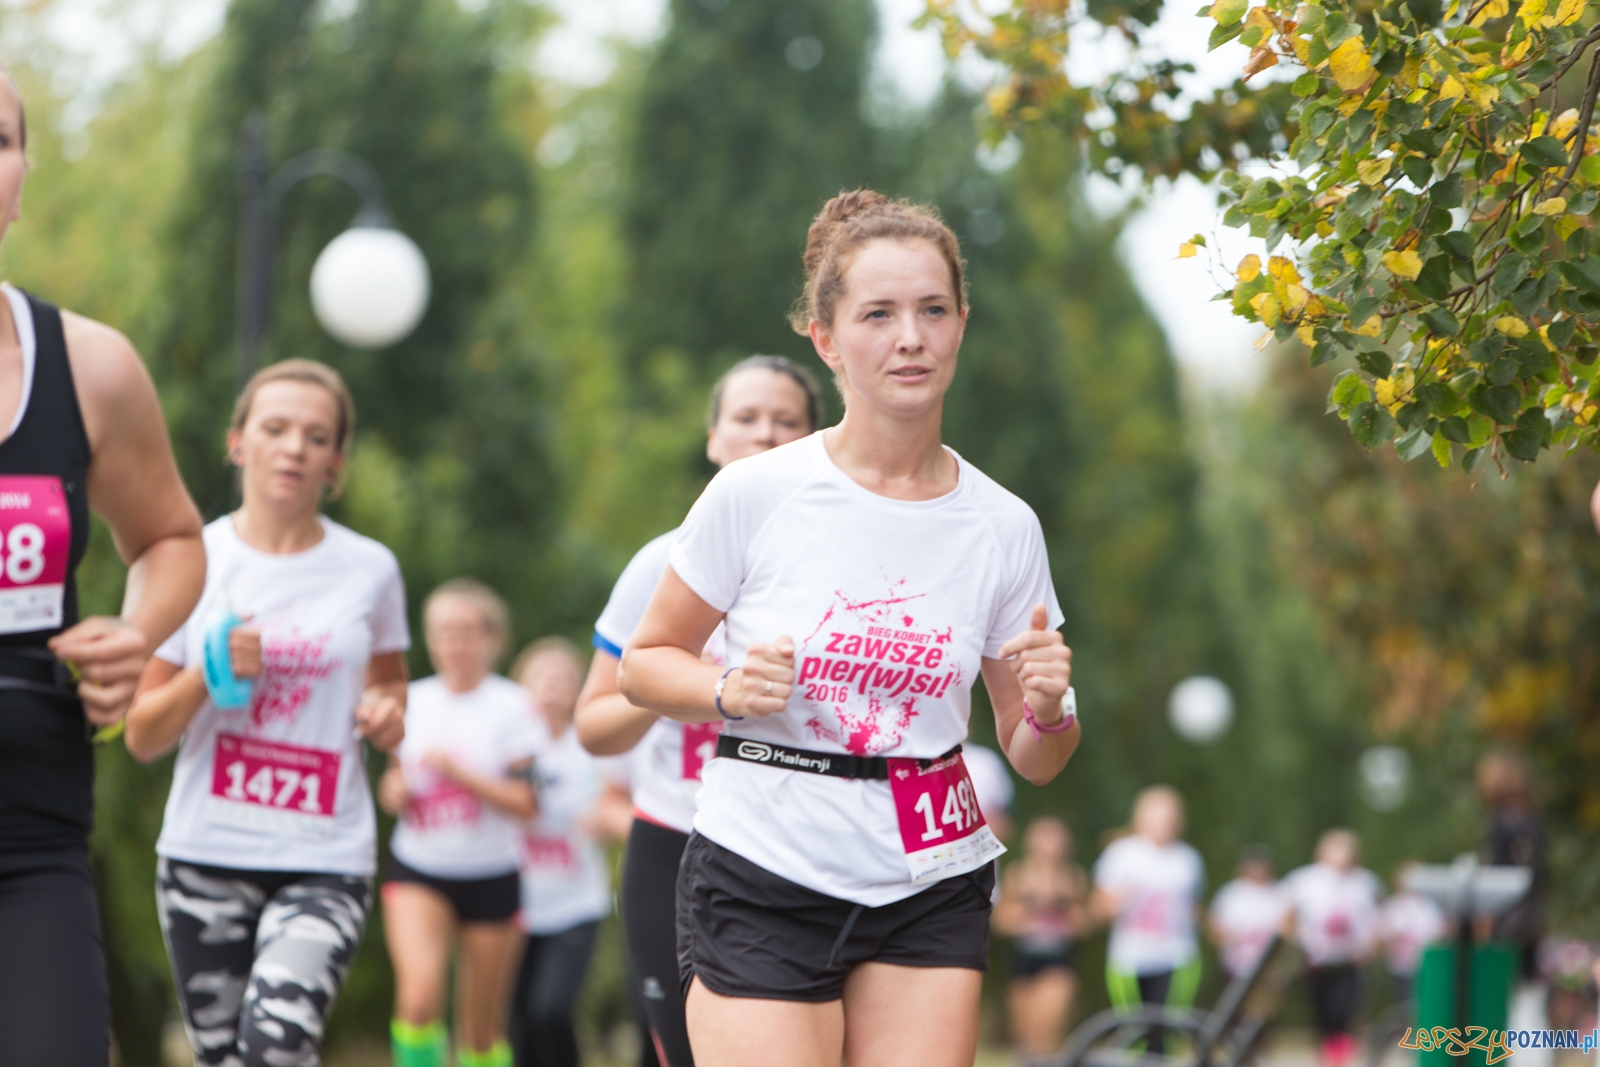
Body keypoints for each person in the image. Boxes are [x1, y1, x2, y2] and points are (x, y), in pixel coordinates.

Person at [620, 189, 1080, 1067]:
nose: (911, 336)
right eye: (879, 314)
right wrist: (723, 688)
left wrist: (1051, 707)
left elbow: (1034, 752)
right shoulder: (756, 492)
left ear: (960, 325)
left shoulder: (1004, 523)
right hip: (765, 861)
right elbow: (643, 665)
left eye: (932, 310)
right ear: (827, 339)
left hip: (931, 873)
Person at [0, 67, 208, 1067]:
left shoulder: (89, 366)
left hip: (31, 827)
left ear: (22, 173)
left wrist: (134, 633)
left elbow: (171, 538)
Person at [125, 360, 409, 1066]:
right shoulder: (192, 562)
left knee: (275, 1047)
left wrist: (386, 713)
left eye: (316, 437)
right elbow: (141, 732)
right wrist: (207, 671)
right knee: (226, 1058)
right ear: (238, 442)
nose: (294, 448)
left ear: (335, 463)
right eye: (275, 428)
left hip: (323, 854)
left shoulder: (371, 569)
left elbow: (391, 689)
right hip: (205, 853)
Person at [574, 353, 822, 1067]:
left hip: (801, 847)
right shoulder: (663, 562)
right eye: (745, 419)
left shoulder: (843, 565)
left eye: (786, 422)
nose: (764, 434)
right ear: (713, 438)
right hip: (675, 842)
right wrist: (681, 684)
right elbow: (593, 726)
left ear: (814, 438)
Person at [379, 580, 544, 1067]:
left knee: (479, 1028)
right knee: (418, 999)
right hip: (420, 868)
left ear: (491, 639)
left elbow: (526, 801)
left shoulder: (514, 707)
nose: (454, 643)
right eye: (443, 632)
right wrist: (393, 792)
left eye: (467, 631)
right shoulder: (412, 699)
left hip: (492, 873)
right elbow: (394, 781)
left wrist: (461, 774)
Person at [512, 637, 623, 1067]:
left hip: (576, 903)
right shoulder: (509, 745)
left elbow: (615, 806)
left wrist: (603, 821)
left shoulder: (592, 748)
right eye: (543, 677)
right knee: (518, 1021)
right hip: (515, 903)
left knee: (551, 1012)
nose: (553, 689)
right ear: (521, 683)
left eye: (564, 680)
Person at [1090, 787, 1205, 1053]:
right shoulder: (1121, 854)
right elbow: (1098, 908)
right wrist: (1119, 899)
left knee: (1170, 1032)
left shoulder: (1188, 859)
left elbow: (1195, 907)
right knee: (1135, 1032)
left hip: (1177, 955)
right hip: (1130, 957)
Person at [1282, 829, 1383, 1067]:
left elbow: (1378, 918)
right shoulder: (1305, 880)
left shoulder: (1365, 882)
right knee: (1322, 1016)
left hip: (1350, 960)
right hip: (1317, 962)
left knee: (1345, 1015)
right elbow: (1286, 918)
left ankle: (1337, 1060)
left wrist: (1371, 947)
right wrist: (1299, 944)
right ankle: (1326, 1057)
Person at [993, 816, 1087, 1067]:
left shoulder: (1072, 878)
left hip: (1058, 959)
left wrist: (1061, 906)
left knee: (1048, 1026)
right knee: (1023, 1034)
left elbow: (1082, 924)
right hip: (1023, 958)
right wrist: (1031, 907)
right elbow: (1000, 921)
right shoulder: (1018, 875)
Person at [1208, 844, 1287, 982]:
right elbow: (1214, 929)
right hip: (1234, 967)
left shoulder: (1281, 892)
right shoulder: (1230, 893)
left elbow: (1290, 932)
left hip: (1269, 972)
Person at [1380, 861, 1445, 1005]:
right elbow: (1384, 935)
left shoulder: (1432, 905)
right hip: (1401, 966)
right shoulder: (1393, 905)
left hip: (1428, 964)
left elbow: (1440, 933)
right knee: (1404, 1003)